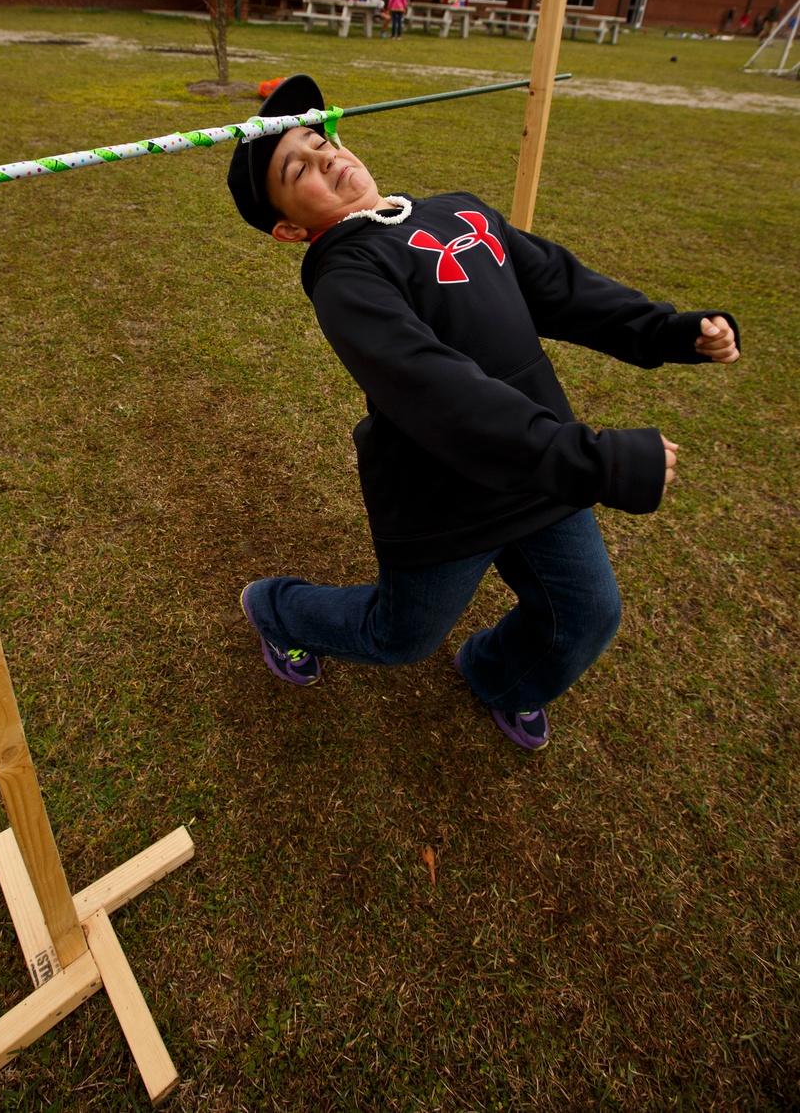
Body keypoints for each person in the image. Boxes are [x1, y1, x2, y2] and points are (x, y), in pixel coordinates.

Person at [225, 76, 741, 751]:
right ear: (291, 227)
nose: (324, 157)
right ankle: (278, 610)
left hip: (536, 465)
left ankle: (500, 676)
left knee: (585, 615)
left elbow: (562, 288)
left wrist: (668, 331)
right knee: (401, 637)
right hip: (444, 496)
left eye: (322, 140)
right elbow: (443, 395)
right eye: (298, 168)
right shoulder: (346, 281)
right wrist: (593, 461)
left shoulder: (457, 212)